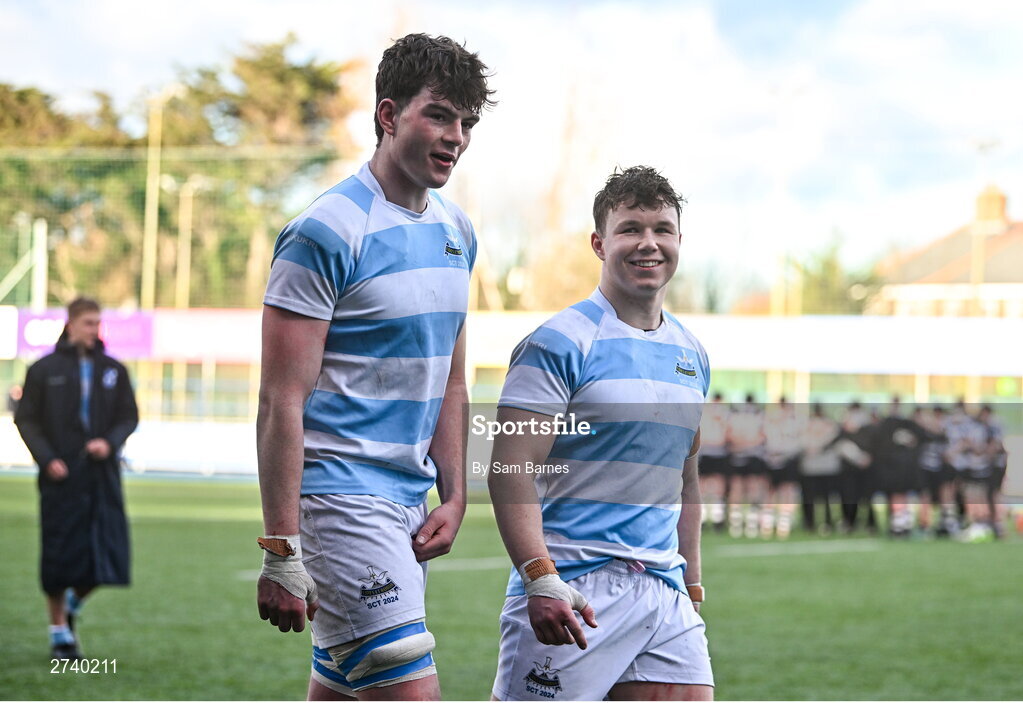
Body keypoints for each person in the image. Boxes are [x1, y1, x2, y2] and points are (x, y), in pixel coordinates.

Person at [254, 33, 494, 701]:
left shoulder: (459, 232)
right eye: (439, 114)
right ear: (388, 115)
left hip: (405, 506)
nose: (456, 136)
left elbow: (449, 376)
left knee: (338, 689)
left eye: (466, 122)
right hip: (337, 499)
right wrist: (280, 546)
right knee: (409, 687)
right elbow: (281, 400)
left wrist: (455, 492)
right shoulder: (324, 231)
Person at [488, 166, 714, 701]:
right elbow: (510, 471)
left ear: (679, 240)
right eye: (631, 228)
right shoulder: (558, 343)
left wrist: (693, 578)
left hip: (663, 590)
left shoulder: (693, 353)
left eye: (662, 228)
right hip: (574, 587)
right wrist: (540, 577)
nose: (648, 243)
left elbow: (685, 479)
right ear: (599, 243)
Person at [14, 297, 138, 661]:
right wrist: (47, 458)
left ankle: (70, 606)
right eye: (87, 322)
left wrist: (110, 442)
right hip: (60, 477)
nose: (94, 329)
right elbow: (27, 420)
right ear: (70, 324)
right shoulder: (43, 369)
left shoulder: (114, 369)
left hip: (102, 476)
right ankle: (58, 635)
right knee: (58, 555)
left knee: (109, 554)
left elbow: (128, 417)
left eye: (98, 322)